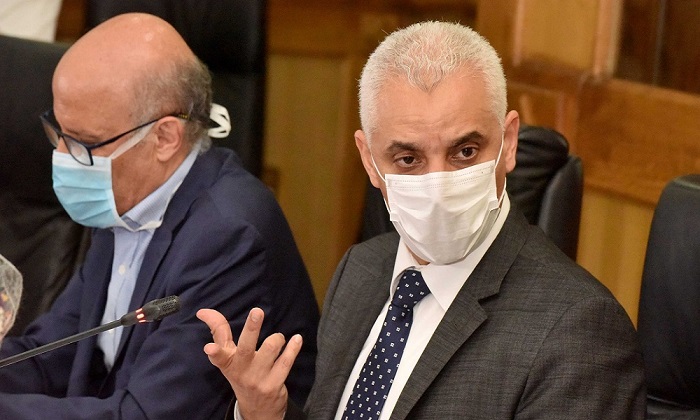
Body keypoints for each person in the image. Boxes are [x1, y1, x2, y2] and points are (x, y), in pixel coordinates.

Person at [198, 21, 646, 419]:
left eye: (464, 152)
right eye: (408, 159)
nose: (439, 184)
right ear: (369, 161)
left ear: (509, 143)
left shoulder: (578, 331)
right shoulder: (361, 271)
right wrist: (265, 414)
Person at [0, 13, 319, 419]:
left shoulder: (227, 237)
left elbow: (148, 414)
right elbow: (52, 355)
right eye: (58, 133)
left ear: (165, 137)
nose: (62, 157)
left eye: (84, 143)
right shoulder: (126, 195)